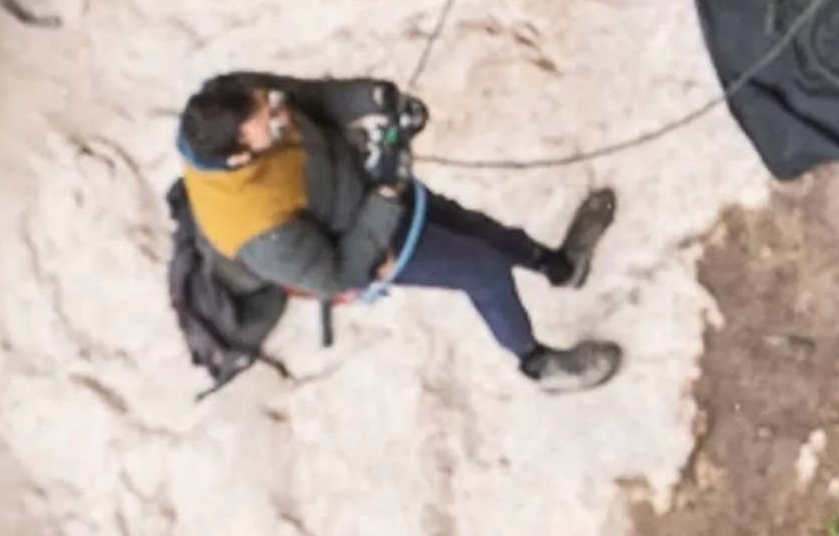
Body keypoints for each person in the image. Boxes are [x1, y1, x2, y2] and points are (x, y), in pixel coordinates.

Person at [169, 71, 621, 392]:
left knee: (474, 227)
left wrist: (375, 99)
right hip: (373, 242)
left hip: (368, 185)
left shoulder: (235, 98)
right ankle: (536, 363)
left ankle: (558, 267)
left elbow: (308, 98)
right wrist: (384, 196)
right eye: (267, 121)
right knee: (482, 269)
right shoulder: (252, 225)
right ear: (239, 156)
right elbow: (335, 275)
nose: (279, 114)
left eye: (269, 103)